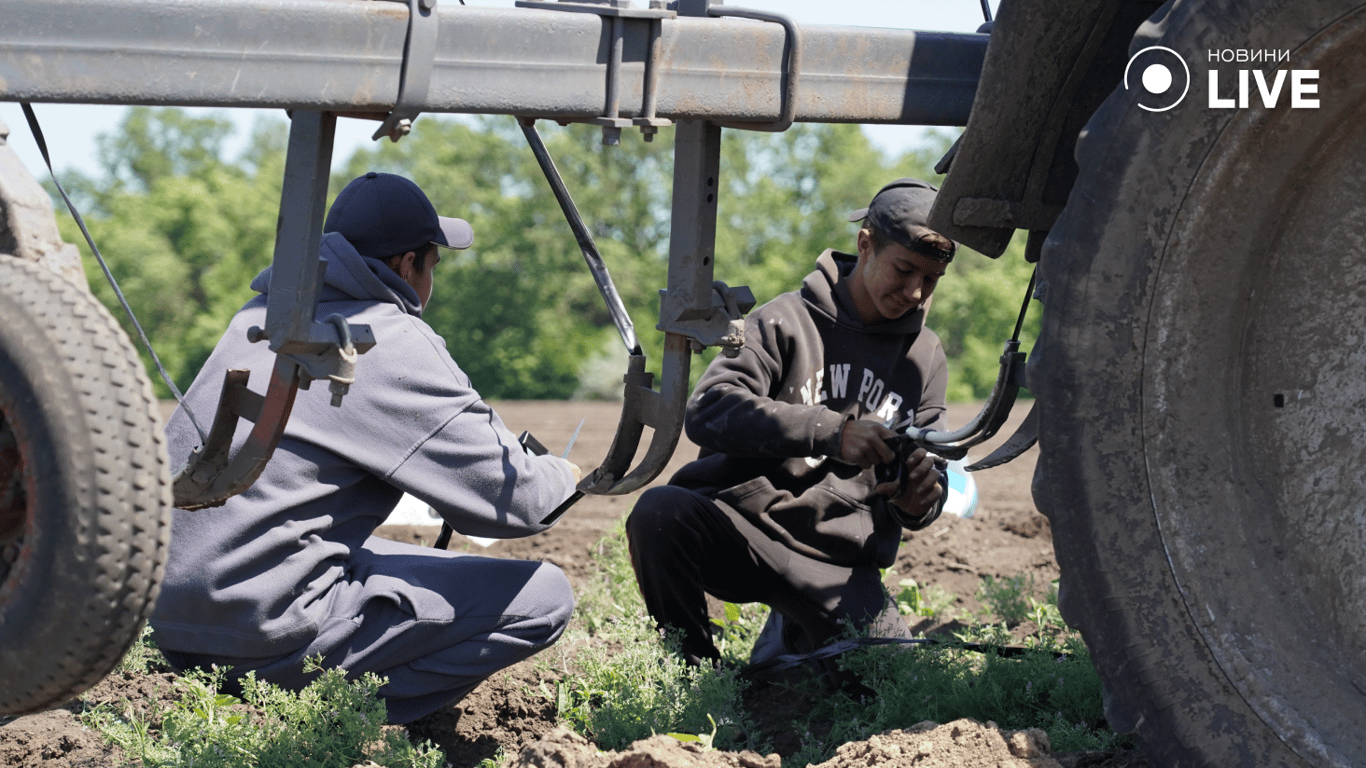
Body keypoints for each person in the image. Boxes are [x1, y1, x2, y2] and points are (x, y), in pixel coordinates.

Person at [150, 172, 580, 724]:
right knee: (544, 596)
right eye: (434, 266)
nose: (432, 283)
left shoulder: (258, 318)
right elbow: (519, 504)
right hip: (260, 632)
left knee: (370, 552)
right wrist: (561, 472)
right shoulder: (387, 336)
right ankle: (332, 719)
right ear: (406, 266)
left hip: (163, 625)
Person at [625, 178, 954, 671]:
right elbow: (710, 407)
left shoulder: (925, 357)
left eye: (930, 280)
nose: (914, 292)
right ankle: (694, 675)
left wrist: (918, 503)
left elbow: (930, 471)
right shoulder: (785, 319)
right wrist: (831, 432)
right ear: (866, 245)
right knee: (660, 512)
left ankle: (787, 643)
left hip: (836, 564)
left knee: (892, 683)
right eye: (904, 270)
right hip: (743, 529)